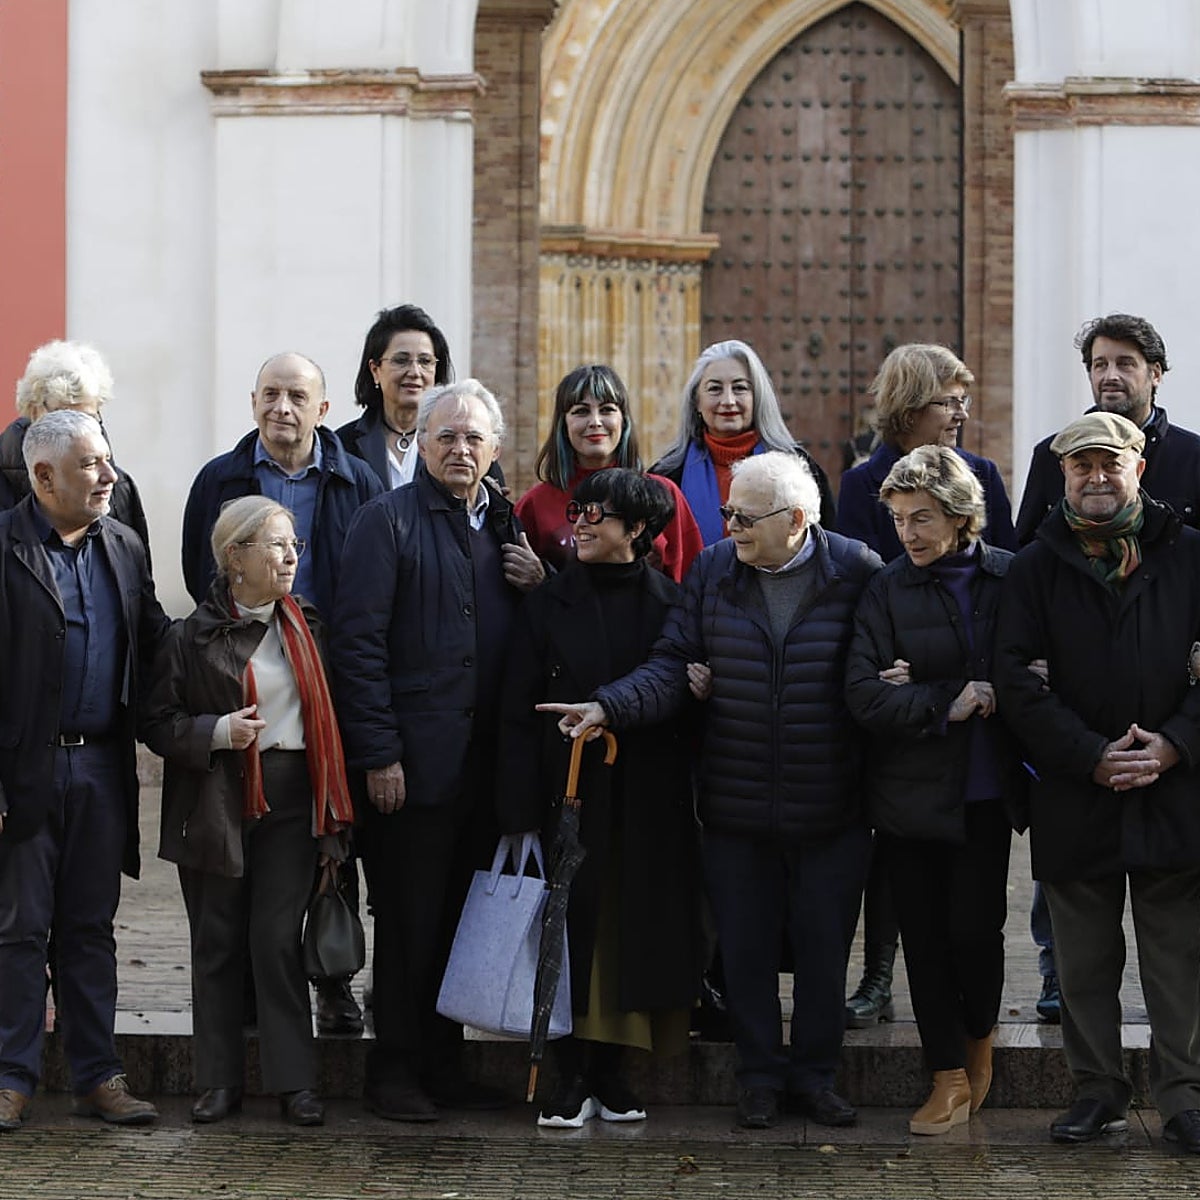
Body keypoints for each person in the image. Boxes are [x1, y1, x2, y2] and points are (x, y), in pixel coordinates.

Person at [539, 451, 879, 1131]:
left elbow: (877, 668)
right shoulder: (715, 569)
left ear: (796, 520)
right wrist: (609, 706)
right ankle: (756, 1078)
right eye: (727, 511)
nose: (729, 526)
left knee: (822, 951)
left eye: (744, 516)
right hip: (736, 800)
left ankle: (814, 1077)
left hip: (831, 802)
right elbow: (672, 662)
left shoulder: (857, 571)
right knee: (745, 953)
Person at [332, 379, 546, 1122]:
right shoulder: (384, 521)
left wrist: (538, 587)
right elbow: (355, 647)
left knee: (460, 921)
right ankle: (393, 1071)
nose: (460, 449)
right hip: (412, 770)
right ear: (420, 444)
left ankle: (444, 1064)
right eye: (445, 436)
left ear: (495, 449)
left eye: (473, 438)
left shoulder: (505, 524)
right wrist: (380, 753)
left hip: (487, 769)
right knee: (408, 922)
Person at [996, 411, 1200, 1154]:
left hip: (1172, 789)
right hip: (1075, 789)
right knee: (1083, 960)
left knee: (1178, 958)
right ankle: (1096, 1091)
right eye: (1081, 467)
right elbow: (1015, 682)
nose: (1096, 478)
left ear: (1138, 469)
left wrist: (1176, 744)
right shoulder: (1034, 566)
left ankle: (1185, 1096)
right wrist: (1088, 754)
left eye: (1110, 463)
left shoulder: (1189, 555)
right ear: (1063, 477)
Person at [181, 350, 382, 1036]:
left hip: (327, 676)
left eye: (297, 395)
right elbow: (197, 568)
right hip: (246, 671)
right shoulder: (221, 479)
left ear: (324, 410)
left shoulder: (357, 479)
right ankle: (242, 992)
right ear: (253, 401)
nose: (282, 407)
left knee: (330, 834)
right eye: (270, 394)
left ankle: (332, 979)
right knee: (240, 853)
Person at [498, 469, 703, 1127]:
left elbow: (679, 702)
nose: (579, 522)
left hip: (645, 802)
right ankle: (566, 1074)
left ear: (639, 530)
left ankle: (611, 1072)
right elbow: (515, 713)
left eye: (598, 515)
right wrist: (520, 813)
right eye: (579, 511)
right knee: (565, 929)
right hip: (567, 794)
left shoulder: (672, 605)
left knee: (627, 933)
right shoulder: (547, 603)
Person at [1013, 314, 1200, 1024]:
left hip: (1172, 736)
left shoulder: (1193, 456)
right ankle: (1062, 988)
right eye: (1098, 363)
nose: (1110, 375)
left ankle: (1182, 1082)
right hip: (1079, 727)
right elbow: (1026, 556)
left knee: (1176, 937)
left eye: (1125, 362)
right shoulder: (1048, 455)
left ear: (1156, 372)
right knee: (1076, 919)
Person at [145, 496, 352, 1127]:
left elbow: (332, 723)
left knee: (275, 941)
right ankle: (217, 1081)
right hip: (215, 797)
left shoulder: (310, 625)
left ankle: (296, 1085)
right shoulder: (190, 634)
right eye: (275, 545)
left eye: (294, 546)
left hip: (293, 796)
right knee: (217, 941)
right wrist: (215, 731)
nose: (291, 557)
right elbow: (156, 723)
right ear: (235, 557)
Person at [836, 343, 1017, 1031]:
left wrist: (943, 673)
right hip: (892, 694)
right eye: (947, 399)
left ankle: (970, 1033)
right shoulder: (862, 485)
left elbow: (1002, 590)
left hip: (954, 707)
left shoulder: (982, 474)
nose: (959, 412)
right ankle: (879, 972)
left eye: (963, 399)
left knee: (972, 907)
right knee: (893, 850)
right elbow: (861, 581)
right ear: (911, 405)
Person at [0, 410, 169, 1133]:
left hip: (103, 767)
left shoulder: (124, 545)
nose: (109, 475)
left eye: (109, 460)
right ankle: (11, 1078)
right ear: (43, 477)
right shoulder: (4, 546)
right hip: (23, 772)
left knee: (91, 928)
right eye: (92, 464)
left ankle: (98, 1075)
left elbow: (158, 640)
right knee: (18, 931)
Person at [845, 446, 1021, 1135]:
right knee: (923, 937)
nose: (908, 533)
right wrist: (941, 699)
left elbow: (1036, 669)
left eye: (921, 518)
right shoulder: (885, 589)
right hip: (907, 794)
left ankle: (979, 1036)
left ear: (958, 514)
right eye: (898, 519)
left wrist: (1004, 687)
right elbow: (861, 693)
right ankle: (945, 1074)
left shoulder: (1010, 578)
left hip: (984, 793)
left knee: (975, 934)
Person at [514, 365, 702, 581]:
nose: (595, 422)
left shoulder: (664, 494)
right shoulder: (535, 505)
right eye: (581, 411)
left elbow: (694, 582)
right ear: (563, 424)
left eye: (607, 409)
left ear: (624, 420)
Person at [650, 339, 836, 544]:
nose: (728, 400)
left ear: (757, 398)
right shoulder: (668, 474)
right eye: (714, 389)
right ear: (696, 401)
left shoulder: (798, 468)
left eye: (740, 388)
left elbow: (825, 546)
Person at [1, 340, 150, 554]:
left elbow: (135, 578)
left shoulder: (118, 485)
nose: (74, 427)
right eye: (61, 416)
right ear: (33, 410)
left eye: (86, 417)